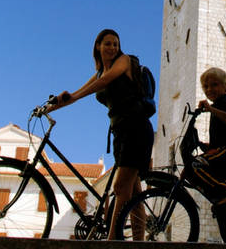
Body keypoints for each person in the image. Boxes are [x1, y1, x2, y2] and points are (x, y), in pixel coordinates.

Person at [49, 29, 154, 240]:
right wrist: (47, 108)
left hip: (136, 127)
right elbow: (77, 95)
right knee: (133, 194)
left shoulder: (124, 61)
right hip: (120, 132)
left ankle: (111, 242)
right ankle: (139, 243)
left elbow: (104, 83)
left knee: (120, 187)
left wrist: (75, 94)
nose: (113, 47)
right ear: (98, 46)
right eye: (108, 44)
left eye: (115, 43)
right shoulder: (98, 73)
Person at [183, 67, 226, 243]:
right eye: (206, 86)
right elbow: (221, 137)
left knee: (194, 165)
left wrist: (211, 109)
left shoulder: (225, 103)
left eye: (214, 85)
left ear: (225, 87)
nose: (210, 89)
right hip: (223, 154)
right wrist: (204, 146)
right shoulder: (218, 106)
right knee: (224, 211)